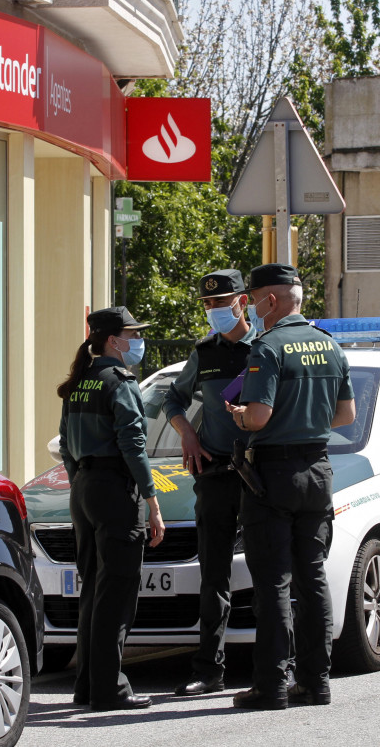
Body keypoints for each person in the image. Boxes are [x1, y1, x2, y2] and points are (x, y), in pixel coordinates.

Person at [225, 263, 355, 710]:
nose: (251, 307)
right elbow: (346, 416)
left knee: (274, 583)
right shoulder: (328, 345)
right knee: (312, 578)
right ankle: (316, 682)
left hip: (273, 475)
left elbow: (257, 416)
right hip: (317, 470)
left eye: (253, 298)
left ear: (272, 301)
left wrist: (239, 416)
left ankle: (271, 686)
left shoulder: (268, 347)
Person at [57, 306, 165, 711]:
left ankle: (87, 685)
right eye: (132, 334)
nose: (137, 340)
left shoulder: (81, 380)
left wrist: (80, 481)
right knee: (117, 592)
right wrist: (151, 499)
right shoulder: (119, 382)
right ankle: (109, 688)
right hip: (114, 491)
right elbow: (133, 445)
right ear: (112, 340)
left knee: (93, 590)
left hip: (83, 488)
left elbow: (66, 443)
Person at [164, 269, 257, 696]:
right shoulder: (204, 353)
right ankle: (209, 669)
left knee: (271, 572)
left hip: (261, 474)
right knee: (213, 576)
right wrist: (186, 432)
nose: (214, 311)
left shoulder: (267, 347)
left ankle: (279, 663)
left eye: (221, 303)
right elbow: (172, 398)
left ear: (242, 301)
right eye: (207, 304)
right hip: (217, 473)